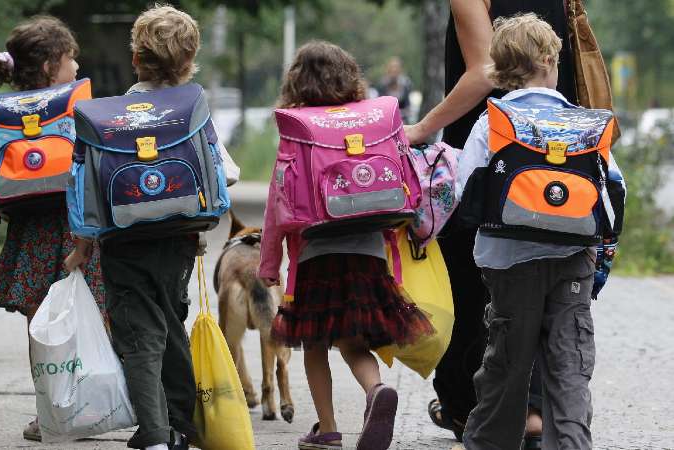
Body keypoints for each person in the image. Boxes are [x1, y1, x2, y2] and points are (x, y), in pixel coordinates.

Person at [405, 1, 579, 444]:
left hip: (497, 153)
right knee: (555, 306)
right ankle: (539, 412)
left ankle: (470, 410)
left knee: (477, 290)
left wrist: (424, 128)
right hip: (560, 154)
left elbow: (484, 72)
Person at [64, 5, 232, 450]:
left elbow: (85, 187)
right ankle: (180, 423)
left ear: (136, 58)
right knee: (170, 321)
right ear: (190, 62)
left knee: (139, 332)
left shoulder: (104, 117)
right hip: (179, 237)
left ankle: (157, 435)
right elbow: (226, 172)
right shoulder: (193, 108)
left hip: (123, 239)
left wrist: (82, 247)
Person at [455, 13, 623, 450]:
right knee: (569, 366)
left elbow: (461, 189)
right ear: (550, 59)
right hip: (573, 263)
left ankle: (489, 443)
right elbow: (614, 191)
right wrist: (602, 255)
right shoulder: (586, 124)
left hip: (508, 265)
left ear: (501, 68)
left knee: (506, 364)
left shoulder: (493, 122)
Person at [258, 40, 434, 450]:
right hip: (369, 249)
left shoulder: (297, 127)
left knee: (316, 344)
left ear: (296, 82)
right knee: (354, 341)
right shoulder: (373, 120)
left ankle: (329, 429)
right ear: (350, 76)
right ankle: (376, 391)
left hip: (316, 254)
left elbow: (277, 202)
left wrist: (269, 263)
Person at [0, 15, 105, 442]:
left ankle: (47, 413)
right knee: (90, 317)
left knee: (40, 326)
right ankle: (91, 405)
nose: (77, 69)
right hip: (74, 228)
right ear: (52, 65)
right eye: (71, 59)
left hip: (30, 231)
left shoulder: (6, 114)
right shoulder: (73, 107)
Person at [376, 56, 413, 122]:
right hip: (386, 120)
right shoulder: (382, 84)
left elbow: (408, 107)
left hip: (402, 120)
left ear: (400, 69)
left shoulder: (405, 84)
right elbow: (379, 106)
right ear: (388, 69)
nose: (394, 70)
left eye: (396, 67)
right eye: (392, 67)